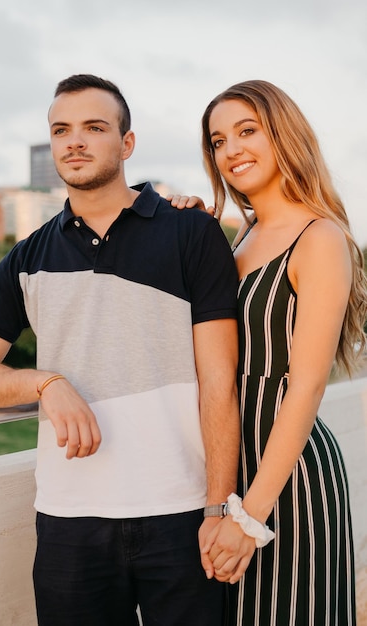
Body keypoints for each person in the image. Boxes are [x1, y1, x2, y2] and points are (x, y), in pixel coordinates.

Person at [0, 74, 241, 625]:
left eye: (94, 127)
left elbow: (219, 382)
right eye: (61, 130)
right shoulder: (25, 257)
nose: (74, 141)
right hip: (68, 521)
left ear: (126, 144)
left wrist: (219, 507)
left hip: (180, 512)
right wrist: (44, 383)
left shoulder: (191, 233)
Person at [171, 79, 366, 625]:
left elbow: (305, 386)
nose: (230, 149)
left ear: (284, 134)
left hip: (286, 482)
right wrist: (182, 225)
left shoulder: (319, 237)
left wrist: (249, 517)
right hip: (231, 468)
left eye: (247, 131)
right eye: (217, 140)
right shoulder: (238, 236)